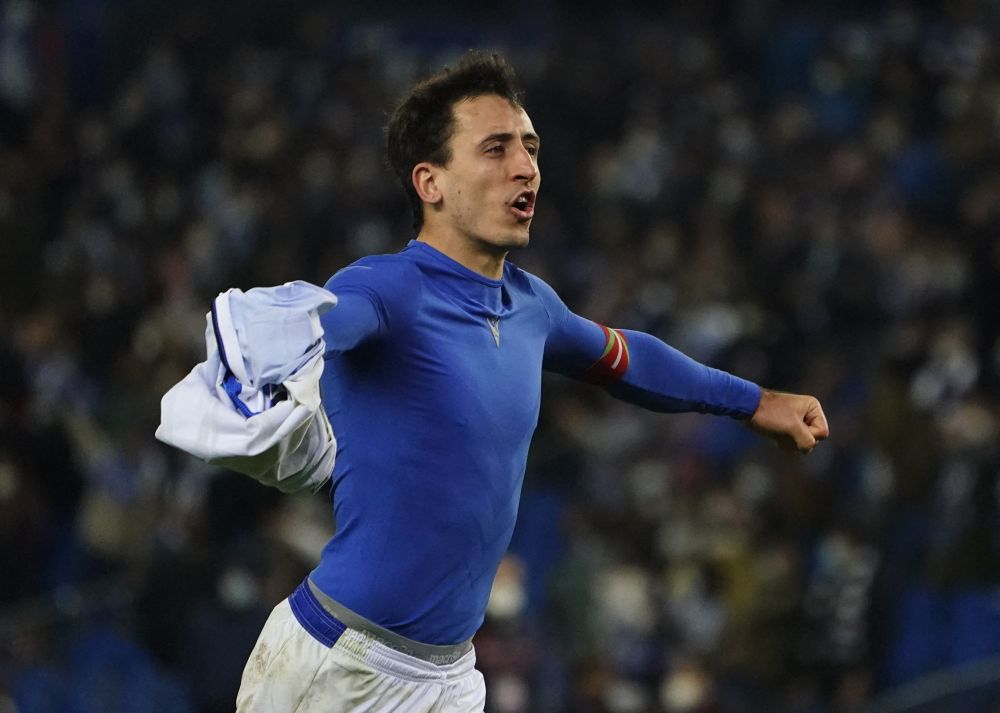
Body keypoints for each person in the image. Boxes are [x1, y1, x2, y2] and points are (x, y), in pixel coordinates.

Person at [208, 50, 827, 712]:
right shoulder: (384, 289)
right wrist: (278, 344)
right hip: (338, 667)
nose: (525, 166)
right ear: (431, 182)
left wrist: (754, 400)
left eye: (529, 147)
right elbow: (323, 322)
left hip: (450, 677)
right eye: (496, 148)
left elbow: (630, 361)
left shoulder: (533, 308)